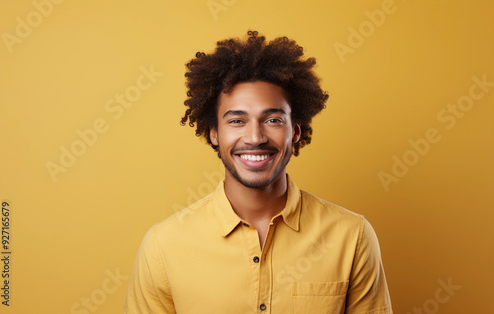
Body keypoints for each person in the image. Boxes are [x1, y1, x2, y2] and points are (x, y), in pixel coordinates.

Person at [124, 30, 392, 314]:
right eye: (237, 120)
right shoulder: (163, 246)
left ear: (295, 132)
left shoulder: (352, 236)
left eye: (273, 119)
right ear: (214, 133)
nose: (255, 137)